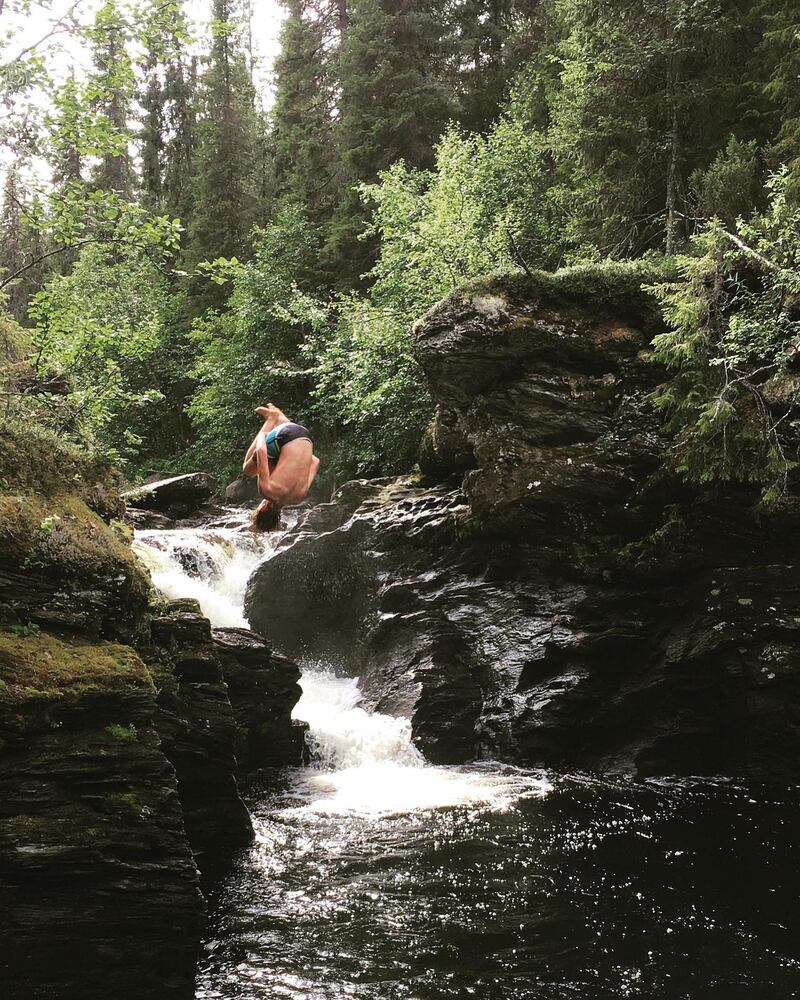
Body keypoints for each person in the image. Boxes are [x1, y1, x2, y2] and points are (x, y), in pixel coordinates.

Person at [242, 403, 320, 530]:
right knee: (248, 469)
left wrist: (298, 453)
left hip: (306, 436)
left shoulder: (298, 499)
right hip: (284, 435)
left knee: (278, 456)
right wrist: (263, 436)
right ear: (262, 508)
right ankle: (271, 419)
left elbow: (315, 462)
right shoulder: (267, 491)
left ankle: (278, 416)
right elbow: (261, 451)